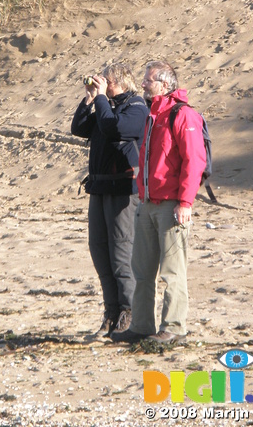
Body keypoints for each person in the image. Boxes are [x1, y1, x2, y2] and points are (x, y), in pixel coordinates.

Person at [111, 60, 206, 344]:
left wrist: (186, 203)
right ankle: (141, 325)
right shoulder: (154, 115)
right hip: (148, 204)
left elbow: (194, 161)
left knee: (172, 271)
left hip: (172, 205)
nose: (142, 84)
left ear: (165, 85)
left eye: (148, 80)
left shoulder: (183, 115)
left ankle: (174, 327)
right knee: (142, 270)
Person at [71, 63, 148, 338]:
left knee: (121, 254)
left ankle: (129, 313)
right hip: (100, 188)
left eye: (108, 81)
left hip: (123, 191)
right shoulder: (107, 106)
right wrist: (90, 99)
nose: (104, 84)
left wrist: (102, 99)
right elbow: (80, 128)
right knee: (100, 251)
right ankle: (111, 313)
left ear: (124, 82)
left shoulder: (137, 108)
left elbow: (113, 129)